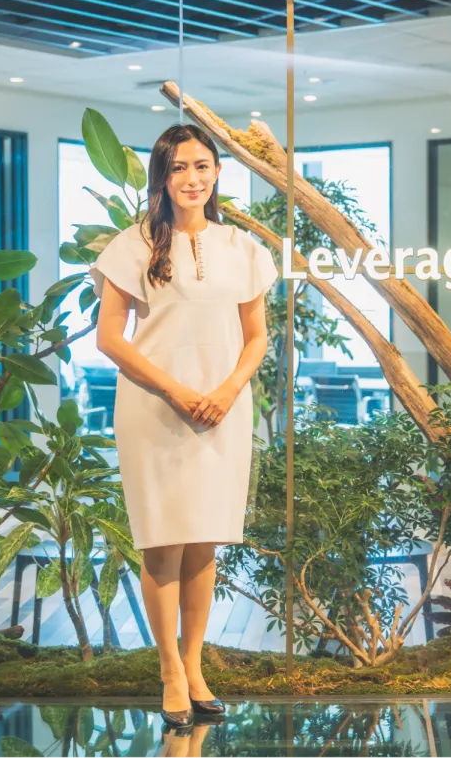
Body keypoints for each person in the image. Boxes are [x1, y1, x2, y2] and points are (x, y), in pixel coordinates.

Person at [92, 124, 277, 730]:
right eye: (178, 168)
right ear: (162, 177)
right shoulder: (132, 246)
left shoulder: (244, 249)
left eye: (202, 166)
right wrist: (174, 390)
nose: (192, 178)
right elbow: (109, 338)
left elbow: (257, 337)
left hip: (223, 409)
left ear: (218, 172)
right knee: (161, 541)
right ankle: (169, 669)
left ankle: (195, 667)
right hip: (154, 409)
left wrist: (227, 391)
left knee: (203, 542)